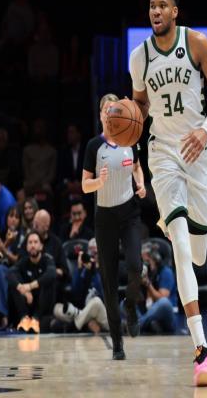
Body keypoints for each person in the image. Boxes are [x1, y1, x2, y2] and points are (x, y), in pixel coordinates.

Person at [129, 0, 207, 385]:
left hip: (197, 151)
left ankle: (181, 228)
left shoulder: (196, 43)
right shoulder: (139, 57)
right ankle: (202, 352)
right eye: (151, 5)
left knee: (197, 254)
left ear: (175, 11)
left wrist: (205, 129)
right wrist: (125, 124)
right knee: (181, 246)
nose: (155, 11)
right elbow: (139, 106)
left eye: (162, 5)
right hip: (163, 154)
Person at [82, 93, 147, 360]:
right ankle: (117, 343)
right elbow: (85, 185)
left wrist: (141, 183)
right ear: (101, 115)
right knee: (108, 281)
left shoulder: (130, 138)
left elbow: (138, 168)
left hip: (129, 213)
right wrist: (98, 182)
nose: (111, 114)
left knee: (136, 266)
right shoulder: (93, 146)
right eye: (107, 110)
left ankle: (130, 304)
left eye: (114, 109)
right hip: (105, 218)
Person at [7, 231, 56, 334]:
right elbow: (10, 273)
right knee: (14, 283)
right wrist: (22, 289)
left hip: (43, 307)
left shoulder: (47, 259)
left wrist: (30, 286)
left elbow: (52, 274)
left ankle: (36, 319)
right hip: (29, 303)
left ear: (41, 246)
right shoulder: (24, 261)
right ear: (26, 247)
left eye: (35, 242)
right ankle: (24, 318)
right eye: (30, 242)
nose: (33, 245)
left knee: (47, 282)